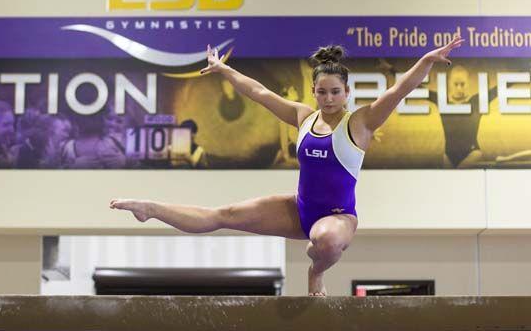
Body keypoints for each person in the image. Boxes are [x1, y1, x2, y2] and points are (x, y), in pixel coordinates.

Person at [110, 37, 463, 296]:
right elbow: (260, 93)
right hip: (298, 209)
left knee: (323, 240)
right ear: (314, 91)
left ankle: (316, 272)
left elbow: (399, 90)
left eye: (335, 92)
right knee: (224, 215)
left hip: (339, 216)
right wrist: (224, 69)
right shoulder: (303, 117)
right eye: (322, 92)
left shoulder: (361, 124)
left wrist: (426, 61)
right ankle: (152, 208)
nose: (328, 99)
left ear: (347, 92)